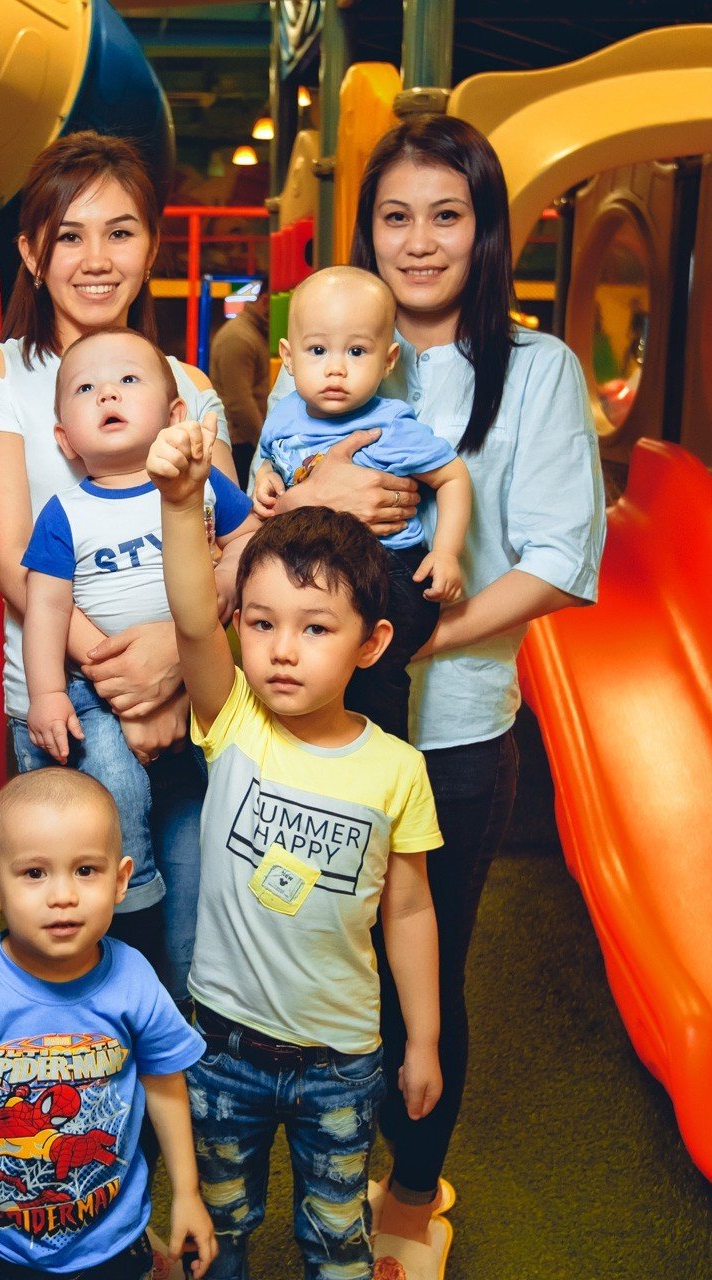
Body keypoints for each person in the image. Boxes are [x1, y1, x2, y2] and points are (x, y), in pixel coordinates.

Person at [255, 116, 605, 1273]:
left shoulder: (535, 368)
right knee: (313, 953)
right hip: (310, 728)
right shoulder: (322, 350)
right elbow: (257, 526)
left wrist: (410, 641)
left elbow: (559, 558)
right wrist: (324, 486)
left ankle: (409, 1185)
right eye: (396, 216)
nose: (418, 241)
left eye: (445, 216)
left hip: (450, 730)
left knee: (425, 967)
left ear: (484, 230)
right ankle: (320, 1162)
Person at [150, 415, 442, 1280]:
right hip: (223, 1049)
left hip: (341, 1065)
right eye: (262, 624)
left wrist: (422, 1040)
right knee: (217, 1236)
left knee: (336, 1242)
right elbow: (192, 620)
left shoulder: (397, 770)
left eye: (316, 629)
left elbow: (410, 911)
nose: (282, 651)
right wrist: (181, 503)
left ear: (371, 643)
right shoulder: (233, 720)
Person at [0, 130, 237, 999]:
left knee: (197, 941)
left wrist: (177, 659)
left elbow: (236, 551)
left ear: (151, 248)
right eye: (69, 236)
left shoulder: (190, 387)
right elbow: (12, 557)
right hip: (66, 706)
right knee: (90, 949)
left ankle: (187, 1084)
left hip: (195, 696)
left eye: (121, 232)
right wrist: (121, 677)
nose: (97, 259)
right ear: (31, 253)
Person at [0, 768, 215, 1280]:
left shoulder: (135, 979)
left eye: (85, 870)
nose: (63, 895)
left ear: (120, 881)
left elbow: (165, 1084)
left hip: (114, 1238)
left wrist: (188, 1193)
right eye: (35, 873)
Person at [19, 328, 253, 975]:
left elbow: (251, 539)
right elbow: (46, 607)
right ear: (65, 438)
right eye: (86, 389)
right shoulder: (65, 511)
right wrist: (46, 694)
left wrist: (225, 584)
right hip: (96, 694)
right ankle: (136, 899)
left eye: (127, 381)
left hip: (202, 679)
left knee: (225, 789)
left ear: (176, 416)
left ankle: (216, 932)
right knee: (114, 781)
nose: (107, 395)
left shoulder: (203, 484)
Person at [256, 266, 471, 738]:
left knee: (373, 678)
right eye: (318, 351)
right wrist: (267, 479)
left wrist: (446, 552)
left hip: (391, 569)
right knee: (307, 674)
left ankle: (380, 758)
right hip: (317, 569)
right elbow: (275, 459)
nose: (336, 368)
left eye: (356, 352)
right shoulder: (284, 414)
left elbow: (453, 476)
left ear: (388, 360)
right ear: (288, 358)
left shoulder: (388, 426)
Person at [207, 292, 269, 481]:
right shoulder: (238, 337)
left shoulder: (252, 333)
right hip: (242, 444)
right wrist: (265, 446)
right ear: (265, 301)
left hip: (247, 441)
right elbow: (239, 403)